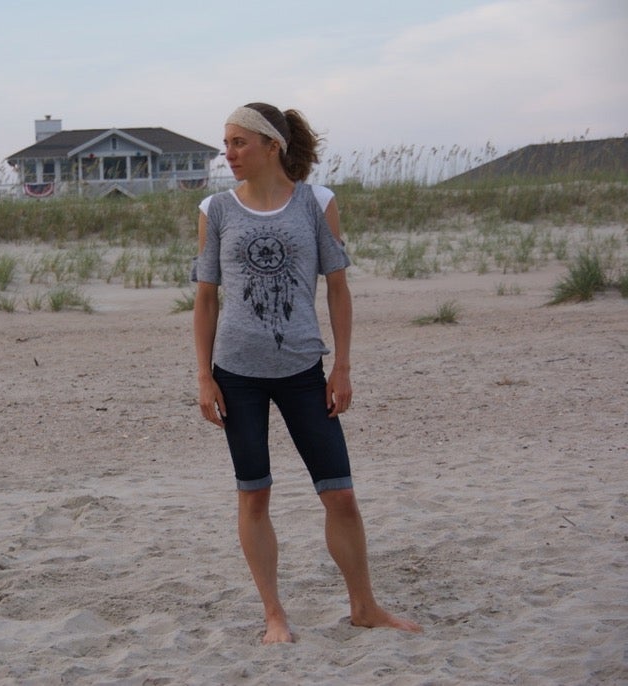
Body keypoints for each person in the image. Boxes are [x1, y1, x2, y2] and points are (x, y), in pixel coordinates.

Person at [192, 102, 421, 644]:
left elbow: (338, 288)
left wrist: (342, 366)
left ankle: (364, 606)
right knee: (255, 495)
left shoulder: (317, 203)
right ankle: (274, 615)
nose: (229, 153)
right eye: (226, 143)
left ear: (272, 145)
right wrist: (204, 376)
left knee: (340, 494)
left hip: (303, 370)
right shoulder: (215, 209)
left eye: (239, 142)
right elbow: (206, 299)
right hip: (237, 375)